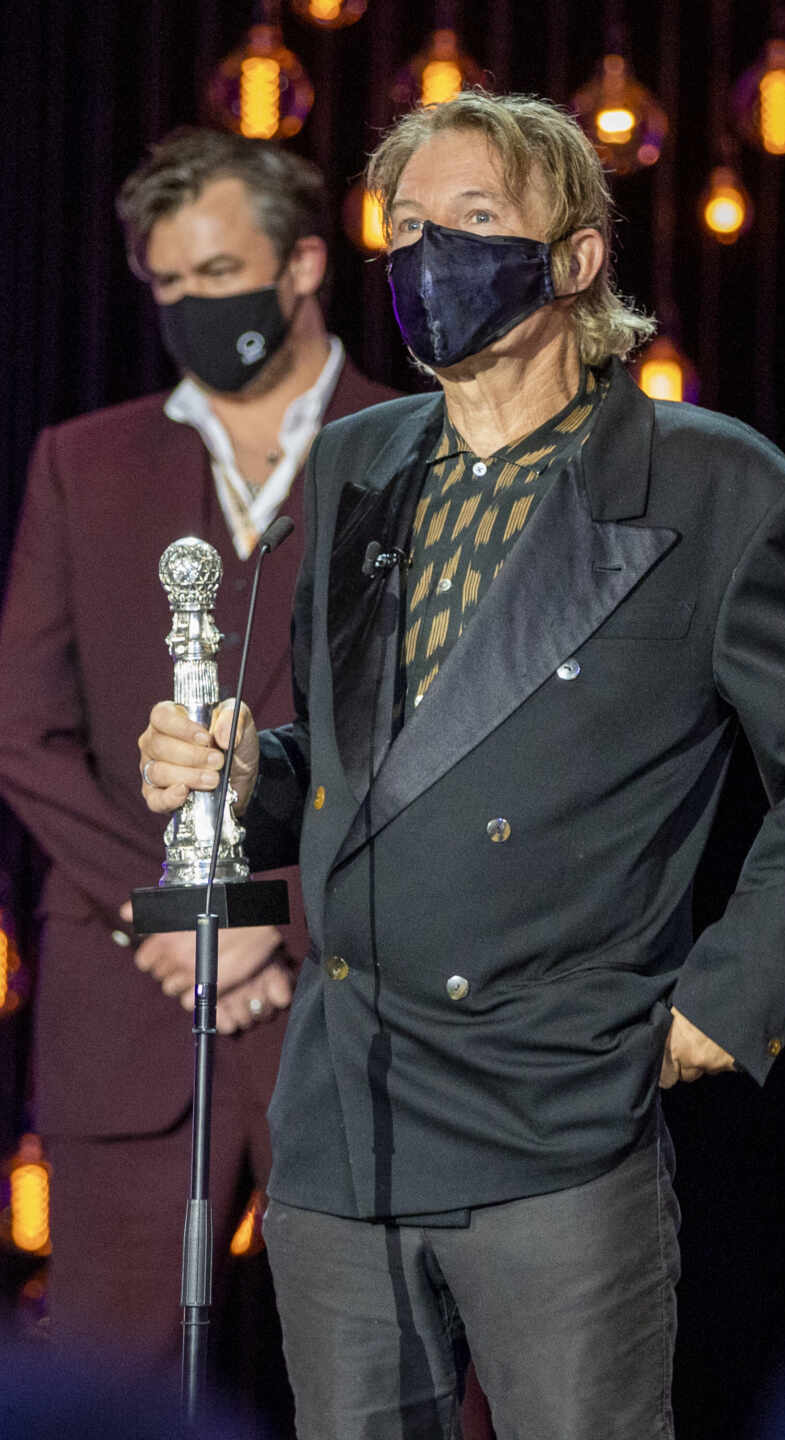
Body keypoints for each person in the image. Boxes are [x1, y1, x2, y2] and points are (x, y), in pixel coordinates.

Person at [137, 91, 785, 1440]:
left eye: (474, 221)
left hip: (554, 1114)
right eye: (408, 228)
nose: (429, 255)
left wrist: (727, 1003)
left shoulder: (715, 488)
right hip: (347, 1111)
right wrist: (236, 773)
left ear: (574, 257)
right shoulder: (358, 465)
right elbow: (355, 757)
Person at [0, 128, 398, 1406]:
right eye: (168, 285)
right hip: (132, 996)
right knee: (109, 1385)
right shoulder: (85, 461)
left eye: (220, 270)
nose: (193, 305)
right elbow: (25, 730)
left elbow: (440, 735)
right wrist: (177, 917)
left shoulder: (416, 448)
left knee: (398, 1381)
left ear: (302, 266)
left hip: (353, 1003)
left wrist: (270, 918)